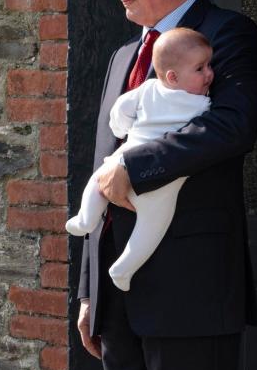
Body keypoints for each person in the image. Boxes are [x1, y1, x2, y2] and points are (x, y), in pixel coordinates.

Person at [75, 0, 257, 370]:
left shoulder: (228, 34)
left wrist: (136, 170)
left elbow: (232, 126)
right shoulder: (121, 58)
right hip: (116, 299)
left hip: (192, 293)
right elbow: (99, 165)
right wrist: (89, 290)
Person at [67, 28, 214, 291]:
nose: (210, 74)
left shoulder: (148, 89)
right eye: (201, 69)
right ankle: (121, 264)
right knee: (151, 225)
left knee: (100, 179)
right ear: (172, 76)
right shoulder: (202, 105)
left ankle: (87, 219)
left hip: (142, 161)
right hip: (159, 183)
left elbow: (121, 108)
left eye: (208, 66)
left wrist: (122, 128)